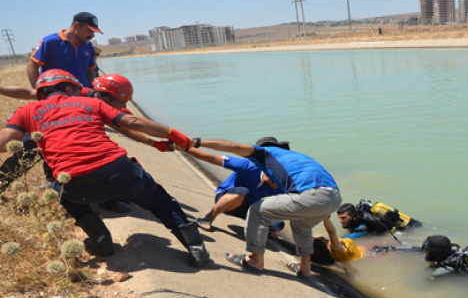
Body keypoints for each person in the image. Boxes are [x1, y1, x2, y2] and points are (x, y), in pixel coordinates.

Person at [0, 69, 209, 267]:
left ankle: (102, 242)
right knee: (163, 203)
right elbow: (133, 122)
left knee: (60, 192)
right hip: (121, 173)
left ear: (40, 93)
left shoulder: (26, 111)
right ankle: (196, 247)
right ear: (71, 89)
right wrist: (173, 134)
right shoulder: (90, 102)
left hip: (75, 186)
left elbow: (4, 144)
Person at [0, 74, 173, 215]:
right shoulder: (65, 94)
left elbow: (129, 126)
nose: (123, 107)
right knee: (29, 152)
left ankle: (107, 201)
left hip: (82, 141)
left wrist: (153, 143)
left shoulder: (95, 99)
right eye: (121, 103)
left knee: (99, 155)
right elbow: (29, 92)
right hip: (50, 132)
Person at [191, 137, 341, 279]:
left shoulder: (264, 154)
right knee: (301, 226)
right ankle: (305, 269)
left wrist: (195, 142)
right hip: (334, 197)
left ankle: (255, 260)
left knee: (257, 211)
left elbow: (233, 147)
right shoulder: (295, 157)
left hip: (312, 195)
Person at [184, 137, 287, 238]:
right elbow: (212, 158)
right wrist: (185, 147)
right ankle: (209, 217)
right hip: (229, 198)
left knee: (277, 225)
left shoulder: (282, 181)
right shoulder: (248, 165)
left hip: (249, 207)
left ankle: (262, 228)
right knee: (242, 192)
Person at [27, 12, 102, 88]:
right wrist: (38, 90)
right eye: (90, 31)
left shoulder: (88, 45)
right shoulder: (51, 42)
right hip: (57, 95)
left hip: (83, 95)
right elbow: (32, 65)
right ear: (76, 25)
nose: (92, 35)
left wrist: (92, 91)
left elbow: (90, 71)